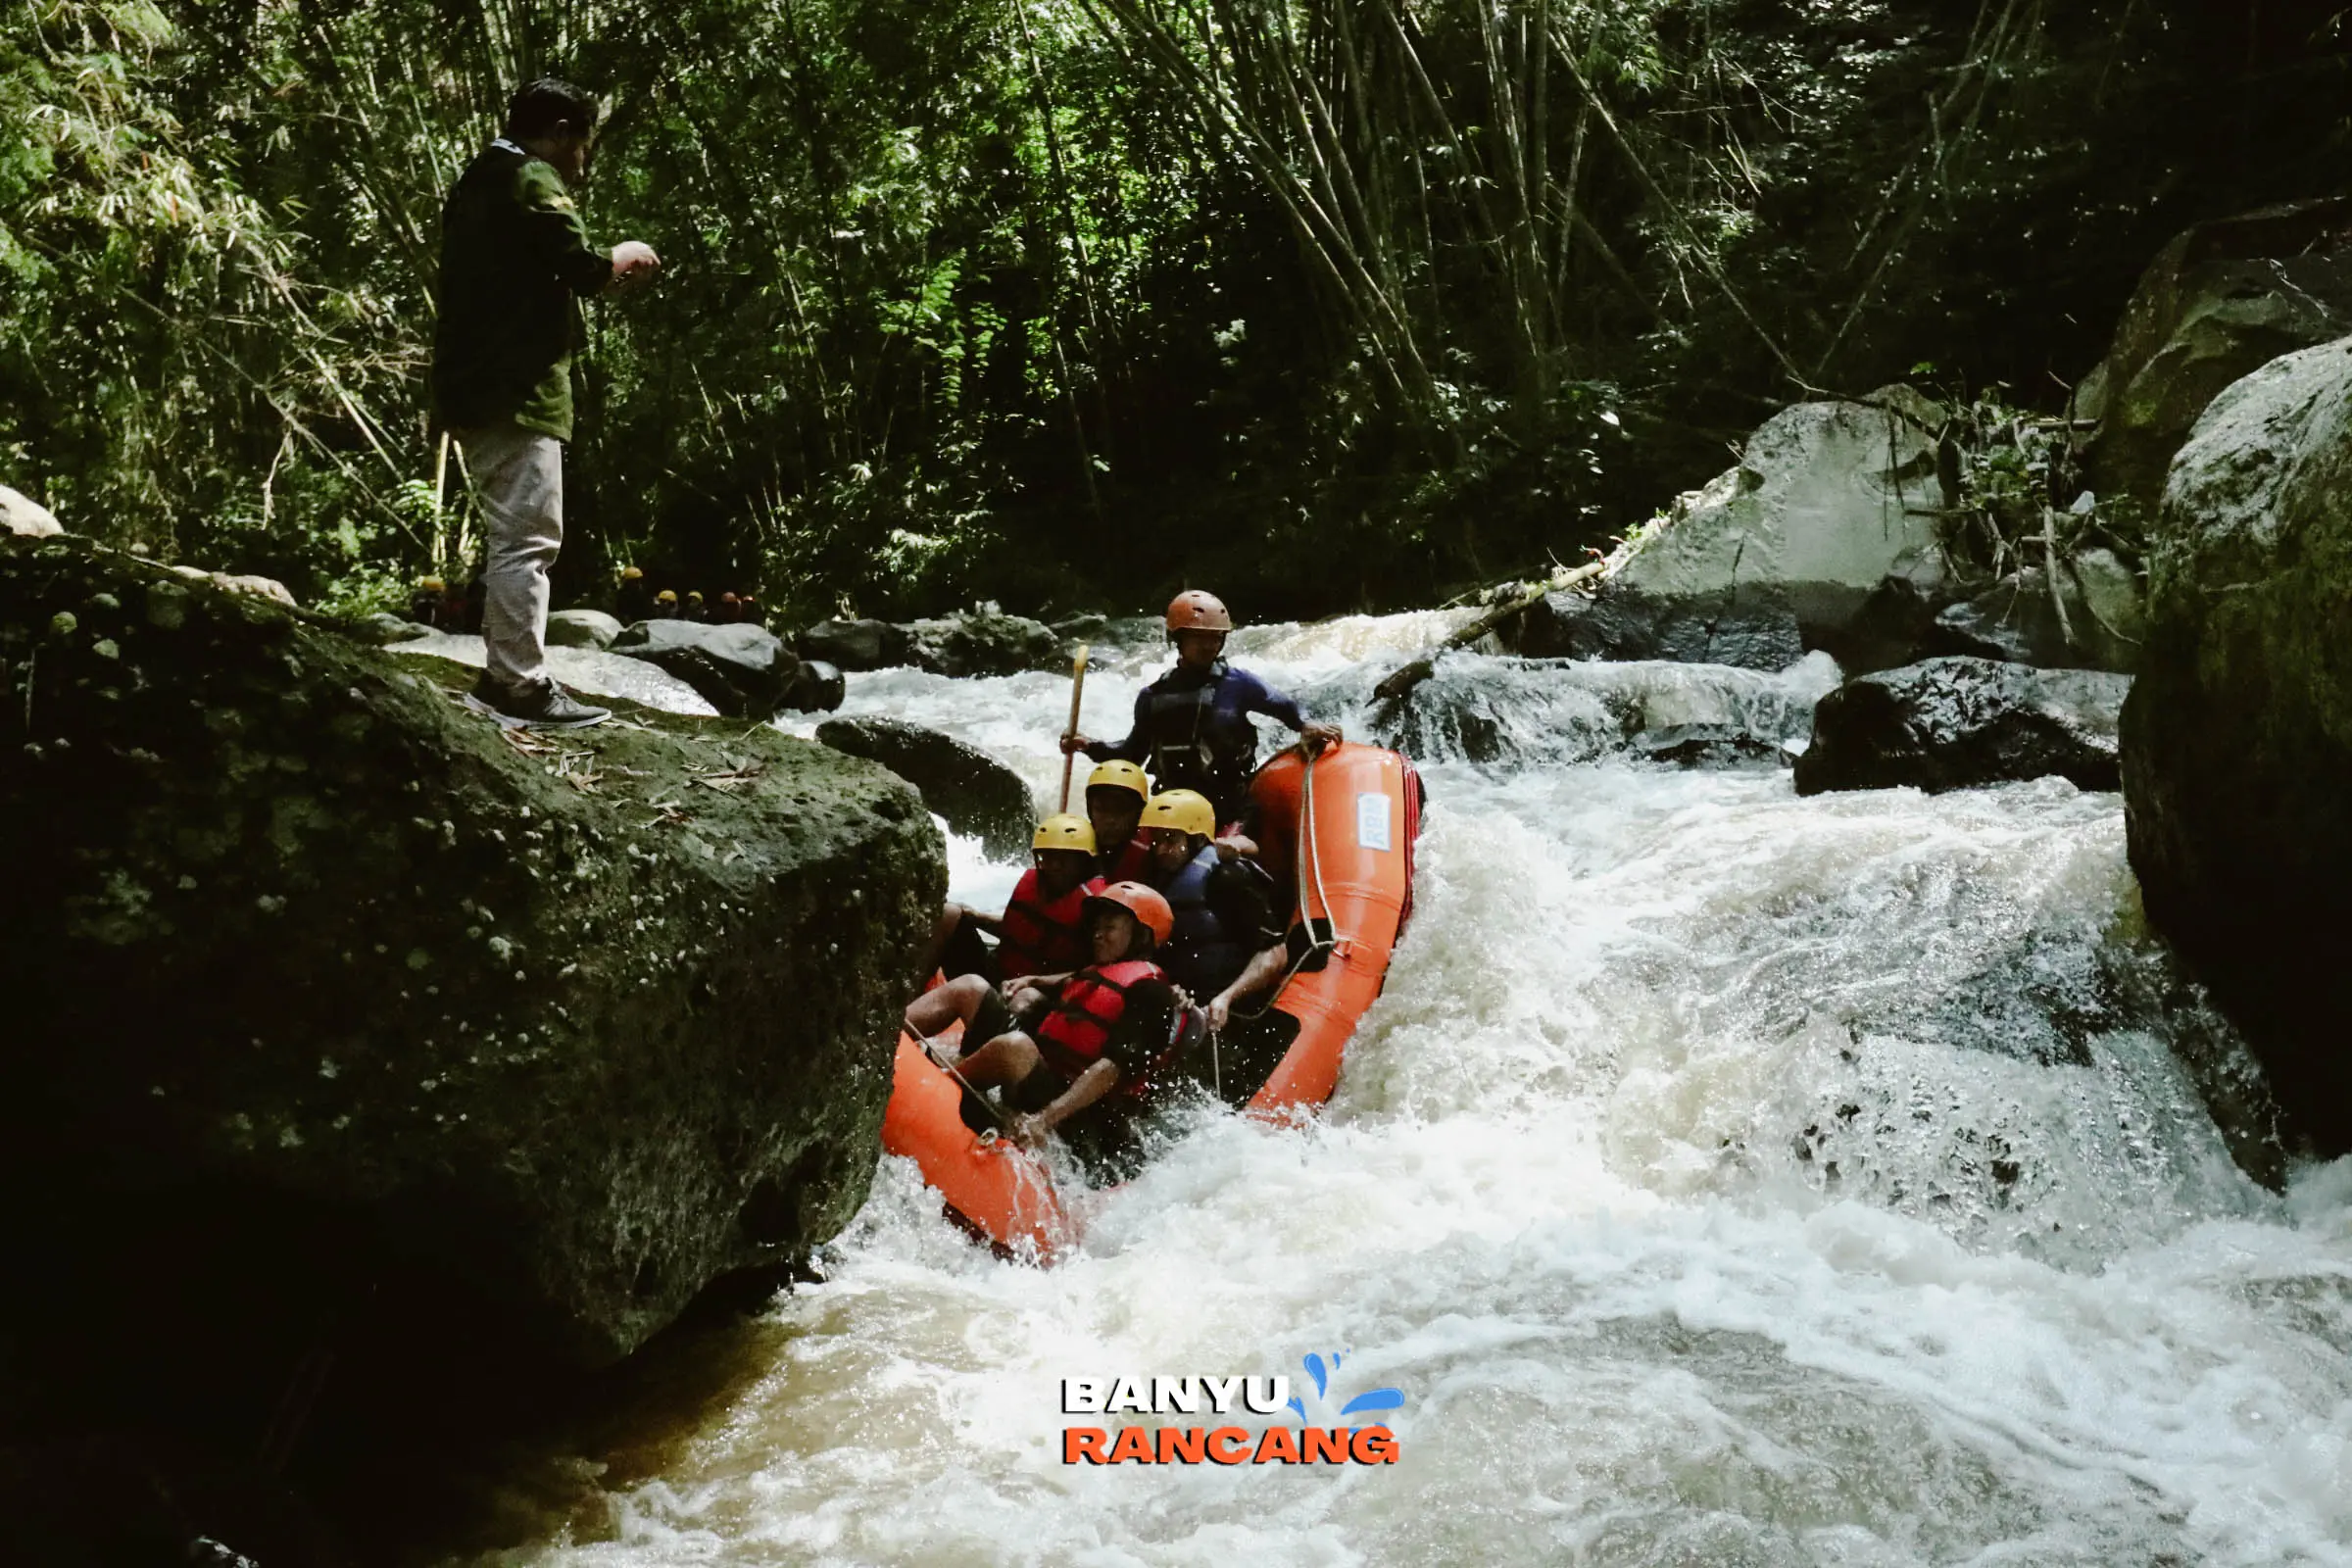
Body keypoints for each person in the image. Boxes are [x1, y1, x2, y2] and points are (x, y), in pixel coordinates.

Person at [431, 75, 662, 729]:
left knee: (515, 535)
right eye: (583, 147)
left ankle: (504, 676)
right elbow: (583, 266)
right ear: (560, 132)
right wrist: (624, 256)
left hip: (476, 384)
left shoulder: (476, 179)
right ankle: (522, 688)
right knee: (528, 539)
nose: (583, 163)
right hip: (515, 389)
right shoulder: (529, 177)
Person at [905, 883, 1184, 1154]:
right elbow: (1073, 986)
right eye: (1097, 927)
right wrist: (1034, 979)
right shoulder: (1096, 972)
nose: (1098, 934)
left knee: (1015, 1047)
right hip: (1041, 1078)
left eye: (1109, 927)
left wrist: (1045, 1119)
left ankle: (930, 1088)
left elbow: (1112, 1069)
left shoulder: (1152, 994)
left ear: (1141, 936)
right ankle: (888, 1035)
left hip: (1079, 1115)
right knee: (972, 988)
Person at [1063, 590, 1342, 827]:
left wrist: (1306, 724)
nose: (1209, 646)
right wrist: (1089, 746)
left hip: (1230, 808)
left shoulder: (1239, 684)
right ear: (1178, 639)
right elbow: (1131, 754)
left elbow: (1286, 707)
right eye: (1199, 637)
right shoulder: (1153, 697)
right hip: (1173, 811)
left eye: (1216, 637)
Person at [1135, 789, 1278, 1004]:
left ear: (1198, 840)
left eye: (1171, 839)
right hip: (1182, 994)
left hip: (1228, 998)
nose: (1161, 849)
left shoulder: (1227, 878)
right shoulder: (1155, 876)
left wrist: (1226, 998)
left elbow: (1274, 953)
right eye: (1156, 841)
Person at [927, 813, 1103, 984]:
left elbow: (1095, 970)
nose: (1055, 866)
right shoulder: (1036, 884)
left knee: (1024, 1000)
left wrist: (1035, 983)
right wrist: (975, 916)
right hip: (1000, 973)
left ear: (1084, 862)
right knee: (950, 913)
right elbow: (1018, 930)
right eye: (1049, 857)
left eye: (1065, 858)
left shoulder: (1096, 906)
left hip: (1042, 991)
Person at [1083, 760, 1152, 884]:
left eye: (1122, 810)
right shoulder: (1075, 849)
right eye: (1102, 809)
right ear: (1090, 810)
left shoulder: (1155, 854)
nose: (1111, 820)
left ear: (1139, 813)